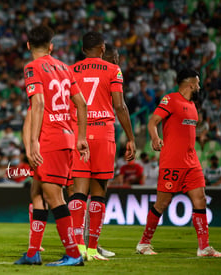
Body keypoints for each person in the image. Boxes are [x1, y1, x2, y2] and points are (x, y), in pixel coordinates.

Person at [14, 25, 89, 266]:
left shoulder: (31, 67)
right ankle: (33, 252)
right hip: (66, 136)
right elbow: (82, 104)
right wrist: (81, 137)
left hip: (49, 139)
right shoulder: (65, 68)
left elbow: (37, 104)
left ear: (28, 46)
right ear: (51, 46)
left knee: (53, 196)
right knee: (36, 192)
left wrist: (34, 142)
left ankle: (73, 254)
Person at [136, 69, 221, 257]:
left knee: (200, 198)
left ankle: (204, 247)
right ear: (191, 84)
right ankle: (144, 243)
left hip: (192, 162)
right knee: (162, 203)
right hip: (172, 161)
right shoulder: (171, 100)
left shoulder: (192, 105)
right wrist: (154, 138)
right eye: (198, 83)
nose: (200, 86)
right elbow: (153, 121)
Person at [68, 32, 136, 261]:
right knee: (98, 192)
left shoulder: (71, 70)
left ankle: (77, 247)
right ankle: (93, 249)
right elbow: (120, 105)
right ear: (101, 48)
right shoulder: (113, 70)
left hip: (79, 133)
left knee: (78, 191)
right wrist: (131, 137)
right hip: (104, 132)